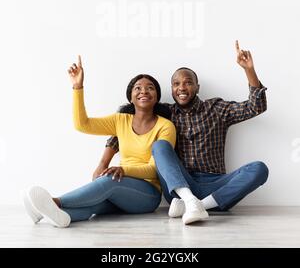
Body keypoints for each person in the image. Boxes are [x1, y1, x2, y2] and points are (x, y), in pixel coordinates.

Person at [97, 41, 269, 225]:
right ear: (171, 89)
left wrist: (248, 70)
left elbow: (255, 106)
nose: (182, 88)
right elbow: (126, 131)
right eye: (176, 84)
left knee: (259, 168)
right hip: (180, 187)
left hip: (216, 186)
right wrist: (103, 163)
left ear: (197, 87)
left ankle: (200, 205)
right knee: (160, 146)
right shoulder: (165, 115)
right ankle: (190, 200)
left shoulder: (217, 108)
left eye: (188, 83)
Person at [22, 56, 177, 228]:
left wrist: (123, 170)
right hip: (121, 185)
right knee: (95, 205)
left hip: (148, 194)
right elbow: (83, 125)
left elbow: (154, 169)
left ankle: (55, 202)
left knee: (108, 180)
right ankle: (62, 216)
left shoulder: (165, 126)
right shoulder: (121, 120)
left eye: (150, 88)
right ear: (131, 98)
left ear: (157, 97)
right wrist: (77, 87)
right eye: (138, 88)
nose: (144, 91)